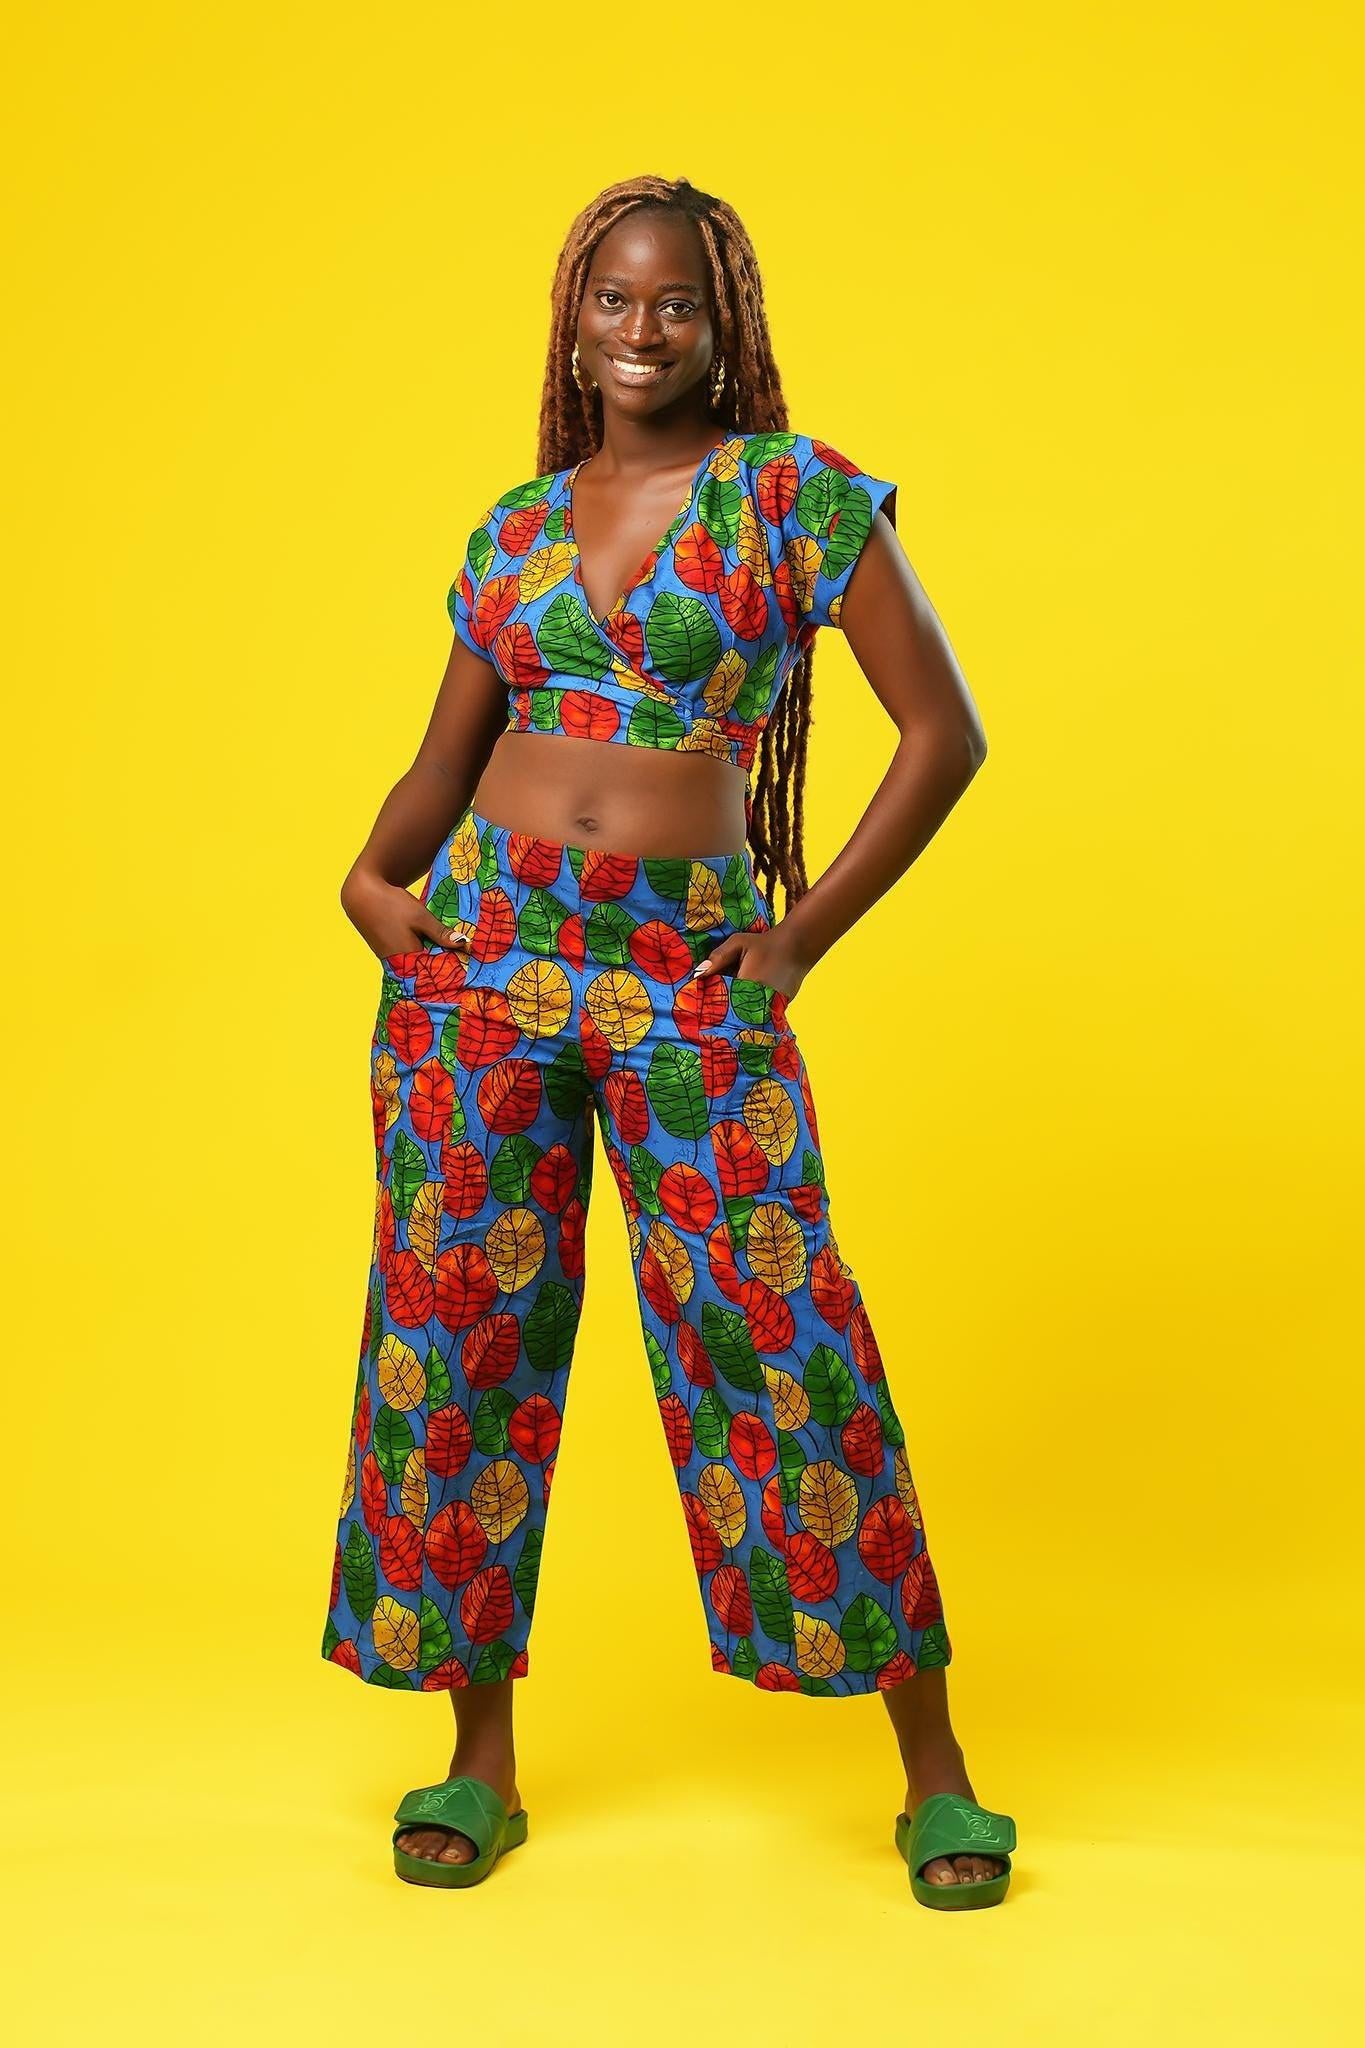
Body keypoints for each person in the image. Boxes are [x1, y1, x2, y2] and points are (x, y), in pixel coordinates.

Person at [321, 174, 1015, 1909]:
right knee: (459, 1343)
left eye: (676, 306)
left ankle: (934, 1773)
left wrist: (792, 938)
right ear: (575, 319)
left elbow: (944, 734)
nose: (641, 332)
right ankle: (477, 1760)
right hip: (482, 970)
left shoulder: (795, 499)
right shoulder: (512, 528)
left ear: (727, 327)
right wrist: (371, 874)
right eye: (614, 303)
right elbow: (445, 751)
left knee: (784, 1337)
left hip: (688, 976)